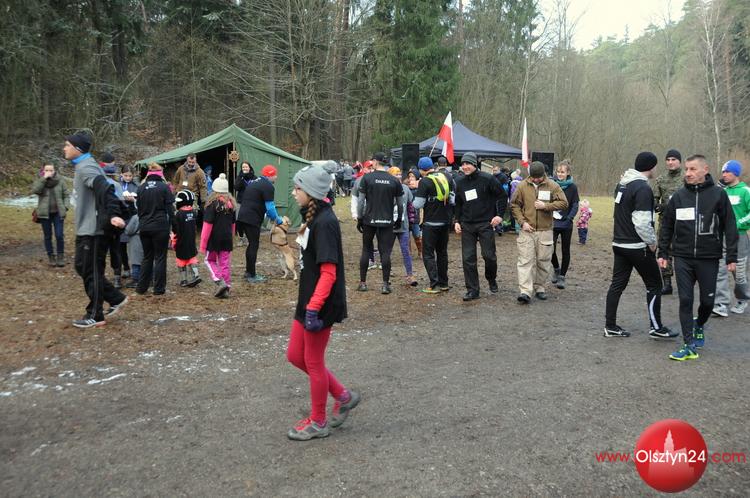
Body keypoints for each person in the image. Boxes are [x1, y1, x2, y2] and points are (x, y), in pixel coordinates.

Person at [286, 165, 359, 441]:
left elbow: (329, 273)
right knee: (295, 356)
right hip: (307, 299)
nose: (294, 193)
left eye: (298, 188)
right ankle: (343, 395)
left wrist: (314, 307)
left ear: (311, 192)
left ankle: (318, 421)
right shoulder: (312, 215)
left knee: (313, 361)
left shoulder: (326, 222)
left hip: (321, 304)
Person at [658, 155, 738, 360]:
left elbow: (730, 225)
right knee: (685, 300)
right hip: (683, 257)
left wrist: (731, 256)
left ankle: (699, 324)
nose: (688, 173)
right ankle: (688, 344)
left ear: (705, 170)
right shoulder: (679, 196)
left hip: (708, 257)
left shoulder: (718, 195)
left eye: (693, 169)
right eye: (686, 169)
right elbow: (667, 225)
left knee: (707, 302)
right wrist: (663, 252)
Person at [603, 152, 675, 339]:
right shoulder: (643, 188)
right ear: (651, 167)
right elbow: (642, 222)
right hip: (636, 246)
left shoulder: (622, 185)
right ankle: (656, 328)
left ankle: (610, 326)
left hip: (619, 243)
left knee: (617, 285)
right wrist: (651, 242)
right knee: (655, 285)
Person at [65, 131, 128, 328]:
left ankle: (95, 314)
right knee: (82, 267)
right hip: (85, 228)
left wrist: (114, 214)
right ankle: (115, 297)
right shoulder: (83, 165)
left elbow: (105, 188)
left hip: (93, 230)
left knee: (91, 271)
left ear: (77, 149)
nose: (64, 148)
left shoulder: (87, 167)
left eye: (67, 145)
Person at [510, 161, 567, 304]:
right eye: (533, 177)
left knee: (543, 261)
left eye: (538, 177)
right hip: (527, 231)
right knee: (525, 261)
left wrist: (546, 206)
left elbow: (564, 203)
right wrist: (522, 222)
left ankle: (540, 287)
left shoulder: (553, 185)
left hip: (545, 231)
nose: (535, 180)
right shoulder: (522, 186)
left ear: (544, 174)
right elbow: (514, 204)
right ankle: (525, 291)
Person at [454, 152, 506, 301]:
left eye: (468, 164)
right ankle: (472, 290)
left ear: (475, 164)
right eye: (463, 164)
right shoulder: (459, 181)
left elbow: (502, 196)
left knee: (489, 256)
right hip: (467, 224)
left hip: (485, 223)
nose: (465, 167)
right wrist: (457, 221)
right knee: (468, 258)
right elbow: (458, 203)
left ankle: (491, 278)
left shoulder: (488, 179)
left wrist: (499, 215)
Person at [356, 152, 404, 294]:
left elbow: (360, 201)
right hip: (387, 220)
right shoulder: (394, 180)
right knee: (385, 252)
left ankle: (363, 283)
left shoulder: (367, 178)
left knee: (366, 249)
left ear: (376, 162)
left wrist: (360, 218)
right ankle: (385, 285)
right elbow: (400, 204)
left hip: (369, 220)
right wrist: (398, 220)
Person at [712, 160, 750, 316]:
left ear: (735, 173)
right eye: (723, 172)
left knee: (739, 272)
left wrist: (737, 224)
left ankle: (742, 299)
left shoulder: (745, 191)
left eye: (727, 172)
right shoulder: (722, 191)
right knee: (719, 269)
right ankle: (721, 304)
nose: (724, 175)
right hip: (722, 236)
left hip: (739, 236)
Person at [237, 165, 284, 283]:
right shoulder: (268, 186)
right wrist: (278, 220)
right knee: (254, 245)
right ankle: (251, 275)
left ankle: (248, 272)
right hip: (251, 218)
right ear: (270, 175)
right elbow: (270, 208)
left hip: (242, 216)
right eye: (275, 175)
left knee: (251, 244)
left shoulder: (255, 182)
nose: (276, 177)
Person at [413, 156, 453, 293]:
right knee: (442, 252)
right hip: (445, 221)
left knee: (428, 254)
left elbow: (418, 204)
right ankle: (444, 283)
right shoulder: (446, 177)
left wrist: (413, 197)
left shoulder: (424, 181)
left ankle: (434, 284)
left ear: (421, 170)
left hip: (430, 223)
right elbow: (452, 198)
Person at [136, 163, 174, 296]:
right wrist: (174, 226)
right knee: (160, 257)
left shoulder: (141, 188)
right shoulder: (164, 187)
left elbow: (139, 209)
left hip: (144, 226)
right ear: (160, 174)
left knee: (147, 257)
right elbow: (170, 210)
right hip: (160, 226)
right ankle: (158, 288)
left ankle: (141, 287)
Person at [652, 149, 684, 295]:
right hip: (666, 223)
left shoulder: (686, 178)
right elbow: (654, 199)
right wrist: (656, 205)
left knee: (683, 253)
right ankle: (667, 283)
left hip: (684, 223)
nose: (670, 162)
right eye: (668, 160)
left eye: (673, 159)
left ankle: (685, 282)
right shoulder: (660, 179)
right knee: (664, 251)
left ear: (679, 161)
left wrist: (670, 206)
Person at [200, 174, 236, 298]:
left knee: (209, 260)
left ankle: (220, 281)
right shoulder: (231, 205)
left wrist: (203, 244)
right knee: (224, 263)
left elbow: (207, 226)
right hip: (227, 238)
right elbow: (233, 224)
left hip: (214, 239)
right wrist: (231, 237)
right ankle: (226, 288)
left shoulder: (211, 205)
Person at [550, 160, 580, 290]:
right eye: (558, 171)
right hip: (553, 222)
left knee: (565, 250)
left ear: (568, 173)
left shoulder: (572, 187)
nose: (560, 174)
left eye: (562, 172)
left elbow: (575, 204)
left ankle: (562, 276)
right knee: (550, 249)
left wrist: (569, 218)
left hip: (566, 223)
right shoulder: (552, 184)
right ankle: (556, 269)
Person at [32, 163, 69, 267]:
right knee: (47, 236)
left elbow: (66, 194)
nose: (49, 172)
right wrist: (44, 179)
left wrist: (65, 207)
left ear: (54, 171)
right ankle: (51, 257)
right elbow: (35, 190)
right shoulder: (40, 180)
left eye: (51, 170)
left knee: (59, 235)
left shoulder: (60, 180)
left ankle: (60, 257)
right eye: (47, 170)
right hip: (45, 214)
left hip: (58, 213)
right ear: (43, 171)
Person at [389, 167, 417, 286]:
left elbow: (411, 206)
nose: (399, 176)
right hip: (389, 226)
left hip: (403, 225)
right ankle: (386, 275)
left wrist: (412, 221)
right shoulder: (386, 189)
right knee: (387, 251)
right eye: (395, 174)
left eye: (400, 174)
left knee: (406, 251)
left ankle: (410, 275)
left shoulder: (405, 188)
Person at [172, 190, 202, 288]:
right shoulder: (193, 212)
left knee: (181, 260)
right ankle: (196, 275)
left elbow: (176, 230)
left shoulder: (179, 214)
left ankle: (183, 280)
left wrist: (174, 241)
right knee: (192, 258)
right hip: (191, 241)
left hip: (181, 241)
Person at [102, 163, 125, 288]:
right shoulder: (117, 185)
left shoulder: (99, 185)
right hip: (115, 221)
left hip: (102, 222)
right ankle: (117, 278)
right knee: (116, 250)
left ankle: (100, 276)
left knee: (101, 250)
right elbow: (121, 203)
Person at [172, 153, 208, 227]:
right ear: (187, 160)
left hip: (192, 195)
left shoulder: (200, 172)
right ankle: (177, 228)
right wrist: (174, 192)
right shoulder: (181, 169)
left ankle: (191, 228)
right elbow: (175, 180)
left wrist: (203, 201)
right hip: (180, 193)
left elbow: (203, 187)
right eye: (189, 162)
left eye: (193, 162)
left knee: (193, 213)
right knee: (176, 212)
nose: (191, 164)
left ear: (196, 161)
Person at [119, 165, 139, 281]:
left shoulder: (136, 186)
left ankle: (135, 268)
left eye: (130, 176)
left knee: (133, 245)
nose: (128, 178)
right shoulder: (118, 185)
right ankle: (125, 267)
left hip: (132, 218)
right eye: (125, 175)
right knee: (121, 245)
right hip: (120, 217)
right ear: (121, 174)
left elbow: (139, 202)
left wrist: (134, 200)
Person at [234, 161, 256, 245]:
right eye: (243, 167)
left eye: (246, 167)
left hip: (251, 203)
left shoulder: (254, 178)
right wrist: (242, 178)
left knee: (248, 221)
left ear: (249, 168)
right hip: (240, 202)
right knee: (239, 220)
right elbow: (236, 188)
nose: (244, 168)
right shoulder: (240, 177)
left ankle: (247, 238)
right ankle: (241, 238)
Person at [123, 214, 143, 289]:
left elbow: (128, 230)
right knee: (147, 260)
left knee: (136, 261)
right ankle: (149, 279)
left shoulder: (136, 217)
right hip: (149, 239)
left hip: (136, 239)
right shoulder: (153, 215)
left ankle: (136, 280)